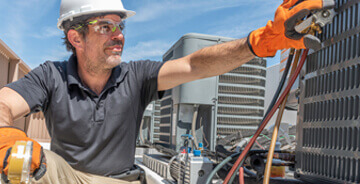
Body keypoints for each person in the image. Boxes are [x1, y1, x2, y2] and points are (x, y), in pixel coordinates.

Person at [0, 0, 334, 183]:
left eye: (120, 26)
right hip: (66, 180)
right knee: (27, 165)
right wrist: (8, 140)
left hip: (122, 182)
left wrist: (260, 42)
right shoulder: (50, 76)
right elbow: (3, 105)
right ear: (75, 38)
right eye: (105, 27)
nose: (118, 35)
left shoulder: (137, 76)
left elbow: (193, 66)